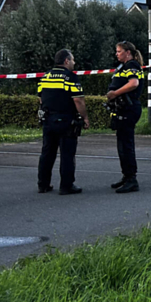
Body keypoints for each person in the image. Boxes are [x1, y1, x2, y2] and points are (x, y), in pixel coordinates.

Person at [36, 49, 90, 195]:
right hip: (66, 120)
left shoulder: (46, 76)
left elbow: (40, 97)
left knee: (47, 152)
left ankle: (43, 184)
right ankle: (66, 186)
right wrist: (85, 117)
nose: (74, 63)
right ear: (66, 61)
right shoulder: (70, 77)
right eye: (72, 60)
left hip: (48, 119)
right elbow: (78, 100)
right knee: (67, 154)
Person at [107, 41, 145, 194]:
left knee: (126, 145)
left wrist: (115, 93)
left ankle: (131, 179)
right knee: (122, 144)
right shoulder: (125, 66)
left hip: (128, 108)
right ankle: (126, 176)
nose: (116, 54)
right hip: (123, 108)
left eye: (119, 51)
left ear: (127, 52)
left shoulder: (132, 65)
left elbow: (134, 83)